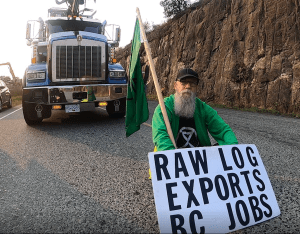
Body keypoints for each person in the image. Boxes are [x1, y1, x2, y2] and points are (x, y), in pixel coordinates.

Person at [152, 68, 238, 152]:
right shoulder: (164, 108)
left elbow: (222, 129)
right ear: (175, 85)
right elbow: (160, 135)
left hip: (198, 160)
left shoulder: (203, 108)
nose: (188, 86)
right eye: (184, 82)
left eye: (192, 83)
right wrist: (173, 157)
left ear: (196, 87)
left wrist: (233, 147)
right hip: (173, 156)